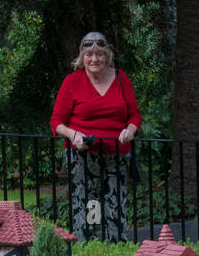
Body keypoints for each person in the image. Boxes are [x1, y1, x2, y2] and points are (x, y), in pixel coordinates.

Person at [49, 32, 142, 242]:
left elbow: (135, 115)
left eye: (99, 54)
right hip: (83, 156)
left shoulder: (121, 78)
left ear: (107, 55)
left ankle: (116, 253)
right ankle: (86, 250)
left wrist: (130, 129)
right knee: (87, 206)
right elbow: (56, 122)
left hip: (116, 155)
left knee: (115, 207)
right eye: (89, 54)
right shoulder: (72, 81)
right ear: (82, 57)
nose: (94, 59)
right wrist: (74, 135)